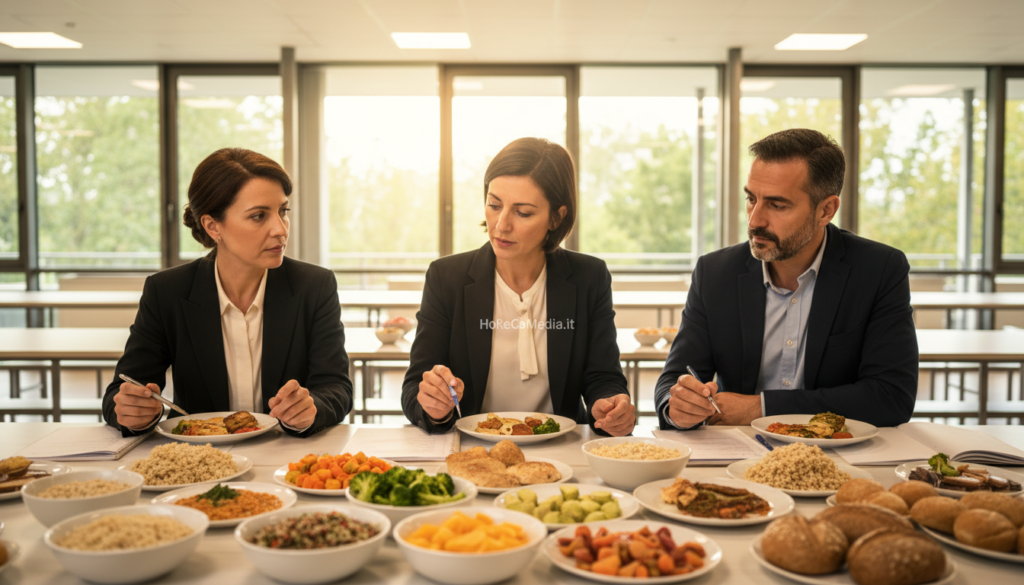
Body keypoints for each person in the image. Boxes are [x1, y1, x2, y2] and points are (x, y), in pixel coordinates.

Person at [656, 128, 918, 430]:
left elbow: (891, 397)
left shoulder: (878, 269)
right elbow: (673, 381)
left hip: (840, 455)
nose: (755, 221)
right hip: (736, 452)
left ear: (826, 210)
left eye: (777, 205)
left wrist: (761, 408)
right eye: (751, 199)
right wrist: (679, 407)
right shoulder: (715, 273)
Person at [102, 148, 352, 437]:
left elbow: (336, 388)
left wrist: (312, 408)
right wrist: (136, 413)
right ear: (212, 226)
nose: (280, 229)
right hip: (199, 461)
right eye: (259, 216)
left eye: (283, 211)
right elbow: (119, 395)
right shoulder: (167, 292)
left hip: (285, 456)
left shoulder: (314, 286)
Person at [402, 137, 635, 435]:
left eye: (522, 212)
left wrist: (608, 406)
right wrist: (433, 406)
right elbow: (413, 388)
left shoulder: (589, 277)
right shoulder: (447, 277)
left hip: (560, 448)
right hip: (472, 450)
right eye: (494, 204)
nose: (501, 225)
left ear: (556, 217)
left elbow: (604, 377)